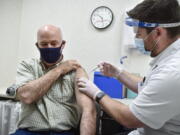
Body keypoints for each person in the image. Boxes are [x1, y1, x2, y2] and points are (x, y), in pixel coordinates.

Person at [77, 0, 180, 135]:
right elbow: (147, 86)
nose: (136, 38)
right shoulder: (168, 58)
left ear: (157, 33)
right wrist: (118, 74)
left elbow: (129, 118)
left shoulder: (173, 71)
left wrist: (97, 94)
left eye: (139, 34)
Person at [11, 24, 96, 135]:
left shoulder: (75, 70)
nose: (49, 47)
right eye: (44, 44)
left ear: (63, 44)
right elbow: (26, 96)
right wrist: (58, 70)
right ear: (37, 46)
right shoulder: (27, 66)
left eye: (54, 43)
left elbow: (88, 110)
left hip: (64, 132)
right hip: (28, 132)